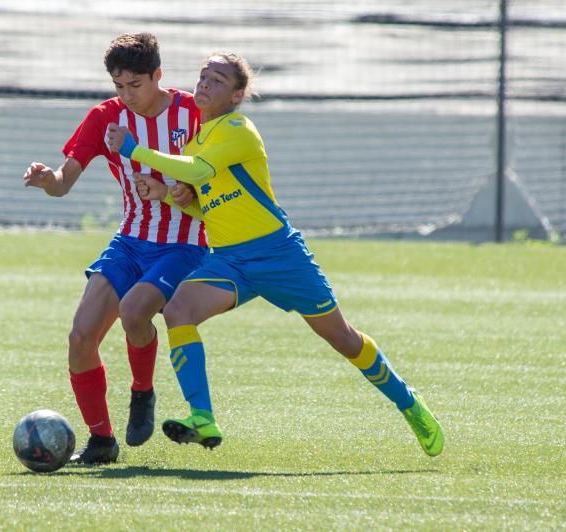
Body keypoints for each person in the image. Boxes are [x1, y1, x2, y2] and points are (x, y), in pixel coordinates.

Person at [106, 52, 444, 457]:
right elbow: (211, 203)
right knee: (178, 310)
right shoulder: (198, 139)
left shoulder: (238, 128)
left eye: (217, 79)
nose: (205, 84)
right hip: (230, 260)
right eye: (202, 76)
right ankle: (203, 418)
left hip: (280, 255)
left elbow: (197, 171)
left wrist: (134, 149)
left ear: (236, 94)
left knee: (343, 338)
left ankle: (408, 403)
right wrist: (171, 197)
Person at [22, 33, 207, 463]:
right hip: (129, 239)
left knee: (133, 312)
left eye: (135, 86)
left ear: (158, 75)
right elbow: (64, 183)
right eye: (118, 86)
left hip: (183, 243)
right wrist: (49, 178)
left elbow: (214, 183)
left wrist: (173, 192)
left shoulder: (192, 112)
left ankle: (142, 392)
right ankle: (102, 441)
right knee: (81, 336)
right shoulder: (105, 117)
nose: (126, 96)